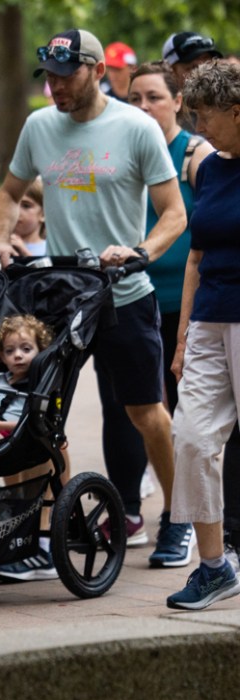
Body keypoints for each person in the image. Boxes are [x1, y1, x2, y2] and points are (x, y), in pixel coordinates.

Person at [0, 28, 192, 571]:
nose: (55, 86)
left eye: (66, 75)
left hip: (124, 296)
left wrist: (140, 252)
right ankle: (42, 538)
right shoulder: (38, 126)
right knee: (39, 415)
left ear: (98, 71)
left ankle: (179, 517)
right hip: (62, 300)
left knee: (145, 412)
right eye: (49, 77)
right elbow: (9, 192)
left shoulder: (136, 127)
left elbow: (174, 213)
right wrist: (1, 238)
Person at [165, 59, 240, 611]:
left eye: (205, 115)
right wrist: (184, 337)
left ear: (236, 112)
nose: (198, 127)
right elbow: (196, 256)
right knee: (191, 438)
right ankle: (214, 568)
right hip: (209, 320)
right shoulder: (210, 168)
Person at [128, 62, 213, 412]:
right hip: (133, 302)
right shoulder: (121, 151)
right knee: (138, 407)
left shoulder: (195, 155)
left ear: (178, 101)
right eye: (134, 99)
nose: (143, 106)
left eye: (154, 97)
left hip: (183, 304)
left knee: (186, 405)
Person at [0, 314, 53, 445]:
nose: (17, 355)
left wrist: (0, 426)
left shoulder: (38, 384)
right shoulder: (0, 379)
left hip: (11, 437)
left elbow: (37, 423)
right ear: (2, 357)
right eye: (9, 351)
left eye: (26, 349)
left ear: (40, 352)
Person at [9, 178, 46, 257]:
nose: (16, 211)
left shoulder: (49, 249)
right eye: (12, 205)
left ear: (43, 215)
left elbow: (46, 265)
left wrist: (25, 253)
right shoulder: (1, 245)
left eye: (26, 206)